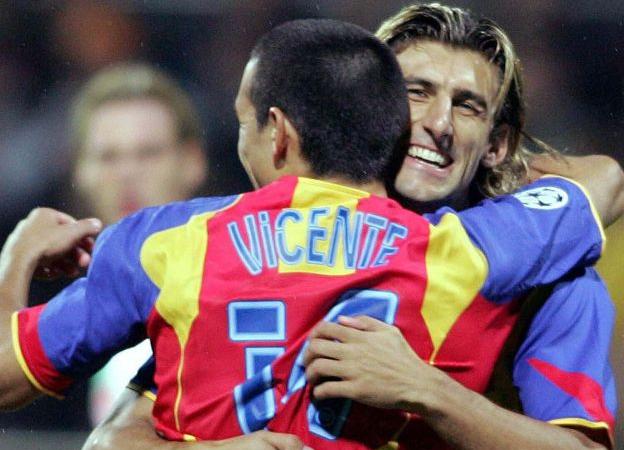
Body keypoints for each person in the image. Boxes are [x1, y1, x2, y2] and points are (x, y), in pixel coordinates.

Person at [0, 18, 618, 450]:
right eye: (415, 96)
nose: (437, 125)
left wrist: (431, 392)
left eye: (468, 107)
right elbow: (112, 441)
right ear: (376, 110)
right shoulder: (481, 254)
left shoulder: (179, 248)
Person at [69, 63, 208, 424]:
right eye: (108, 156)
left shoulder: (234, 287)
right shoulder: (59, 304)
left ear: (192, 162)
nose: (126, 173)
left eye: (147, 153)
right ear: (80, 169)